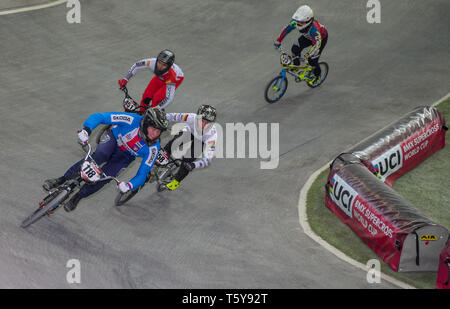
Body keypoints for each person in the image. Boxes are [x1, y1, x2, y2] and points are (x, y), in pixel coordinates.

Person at [43, 108, 169, 212]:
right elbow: (100, 117)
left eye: (158, 131)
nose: (155, 134)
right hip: (113, 140)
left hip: (125, 157)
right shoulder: (131, 119)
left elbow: (143, 174)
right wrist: (87, 129)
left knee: (105, 177)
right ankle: (62, 179)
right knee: (98, 156)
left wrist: (130, 185)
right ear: (145, 124)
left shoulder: (153, 148)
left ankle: (77, 197)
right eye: (153, 129)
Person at [161, 105, 217, 191]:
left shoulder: (212, 135)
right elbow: (172, 116)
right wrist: (160, 120)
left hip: (201, 141)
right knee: (175, 142)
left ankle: (176, 181)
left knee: (188, 159)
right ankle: (162, 156)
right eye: (202, 121)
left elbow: (207, 160)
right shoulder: (191, 117)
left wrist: (194, 165)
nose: (204, 125)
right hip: (189, 131)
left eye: (208, 123)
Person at [274, 5, 328, 85]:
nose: (297, 24)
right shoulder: (296, 22)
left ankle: (317, 76)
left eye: (300, 23)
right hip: (308, 37)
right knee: (295, 49)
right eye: (297, 21)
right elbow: (286, 29)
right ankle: (296, 65)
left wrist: (308, 55)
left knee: (312, 61)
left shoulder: (314, 30)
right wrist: (278, 40)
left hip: (320, 40)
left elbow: (316, 45)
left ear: (308, 21)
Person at [118, 49, 184, 112]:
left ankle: (153, 116)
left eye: (164, 65)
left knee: (157, 98)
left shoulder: (172, 76)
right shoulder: (152, 62)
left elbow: (169, 98)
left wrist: (157, 108)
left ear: (169, 66)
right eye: (159, 62)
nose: (160, 66)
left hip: (175, 79)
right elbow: (137, 65)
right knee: (146, 96)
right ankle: (141, 114)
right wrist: (126, 78)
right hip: (161, 77)